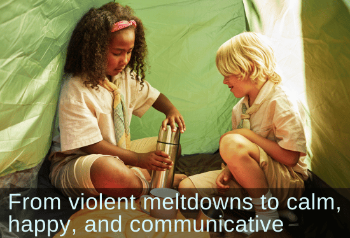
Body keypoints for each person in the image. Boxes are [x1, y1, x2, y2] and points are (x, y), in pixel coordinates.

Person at [49, 2, 186, 199]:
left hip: (120, 154)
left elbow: (154, 96)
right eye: (117, 53)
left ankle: (138, 177)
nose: (125, 60)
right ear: (95, 50)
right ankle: (150, 183)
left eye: (129, 52)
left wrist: (171, 111)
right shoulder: (75, 87)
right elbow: (91, 146)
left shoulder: (124, 77)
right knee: (110, 170)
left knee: (169, 148)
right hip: (80, 162)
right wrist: (139, 159)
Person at [178, 32, 308, 234]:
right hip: (254, 181)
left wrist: (248, 137)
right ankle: (267, 209)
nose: (224, 81)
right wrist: (229, 170)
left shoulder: (280, 101)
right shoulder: (240, 109)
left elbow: (291, 158)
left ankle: (267, 215)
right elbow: (241, 156)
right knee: (187, 188)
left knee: (230, 141)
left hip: (286, 184)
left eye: (227, 74)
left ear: (251, 68)